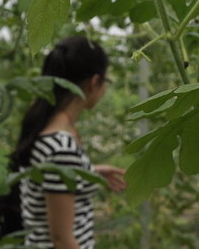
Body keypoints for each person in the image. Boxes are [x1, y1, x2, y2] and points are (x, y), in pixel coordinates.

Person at [7, 36, 125, 248]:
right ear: (94, 82)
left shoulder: (49, 130)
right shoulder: (61, 146)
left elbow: (49, 178)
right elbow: (62, 240)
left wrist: (89, 172)